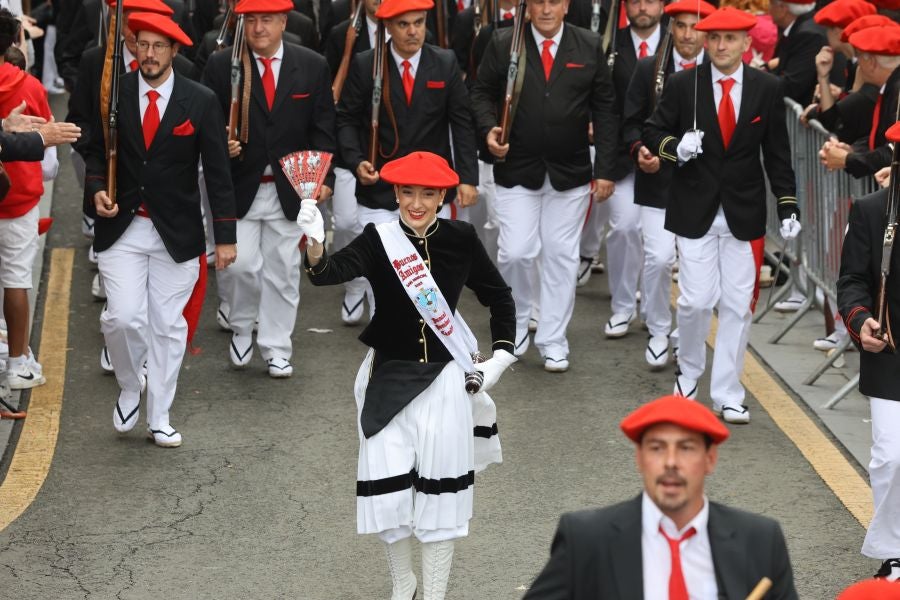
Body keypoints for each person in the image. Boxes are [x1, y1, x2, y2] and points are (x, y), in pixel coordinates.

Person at [299, 151, 516, 600]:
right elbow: (326, 274)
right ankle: (403, 584)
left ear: (443, 197)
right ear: (395, 194)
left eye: (428, 194)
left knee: (440, 503)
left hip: (443, 385)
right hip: (386, 382)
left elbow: (499, 297)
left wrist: (500, 358)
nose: (417, 203)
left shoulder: (461, 238)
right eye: (408, 192)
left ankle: (433, 595)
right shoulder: (379, 239)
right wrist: (316, 243)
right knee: (388, 496)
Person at [83, 11, 237, 447]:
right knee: (123, 318)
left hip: (177, 232)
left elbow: (219, 173)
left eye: (158, 47)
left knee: (169, 327)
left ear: (174, 51)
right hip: (123, 228)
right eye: (142, 45)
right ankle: (131, 385)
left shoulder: (201, 99)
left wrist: (225, 237)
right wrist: (97, 189)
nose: (148, 54)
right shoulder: (114, 94)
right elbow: (96, 153)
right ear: (132, 47)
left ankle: (160, 415)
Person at [642, 6, 799, 424]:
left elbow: (778, 155)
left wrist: (788, 204)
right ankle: (688, 375)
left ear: (747, 43)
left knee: (736, 306)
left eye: (730, 39)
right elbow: (651, 131)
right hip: (694, 207)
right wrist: (676, 148)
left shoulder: (767, 87)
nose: (721, 46)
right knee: (694, 302)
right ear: (705, 42)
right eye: (714, 38)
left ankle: (728, 391)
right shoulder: (682, 84)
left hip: (743, 212)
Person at [524, 394, 798, 599]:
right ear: (640, 459)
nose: (670, 462)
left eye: (686, 448)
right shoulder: (586, 538)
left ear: (710, 459)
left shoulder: (760, 539)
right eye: (657, 448)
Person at [470, 0, 618, 372]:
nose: (546, 9)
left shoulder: (588, 44)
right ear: (527, 6)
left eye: (554, 1)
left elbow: (604, 107)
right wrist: (488, 129)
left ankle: (553, 339)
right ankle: (517, 324)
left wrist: (606, 169)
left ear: (566, 5)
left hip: (570, 173)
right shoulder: (505, 42)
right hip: (516, 167)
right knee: (516, 251)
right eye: (538, 1)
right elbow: (481, 92)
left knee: (559, 255)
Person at [203, 0, 336, 377]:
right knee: (240, 266)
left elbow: (323, 126)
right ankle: (242, 327)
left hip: (290, 189)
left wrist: (325, 179)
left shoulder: (311, 65)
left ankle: (277, 346)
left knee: (283, 270)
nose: (258, 28)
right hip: (237, 187)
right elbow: (205, 123)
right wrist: (219, 142)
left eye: (267, 20)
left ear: (283, 21)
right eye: (252, 20)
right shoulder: (222, 64)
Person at [622, 0, 714, 369]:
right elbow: (630, 122)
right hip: (657, 183)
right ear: (671, 28)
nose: (688, 34)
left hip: (704, 188)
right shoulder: (649, 69)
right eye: (681, 26)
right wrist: (641, 149)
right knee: (659, 258)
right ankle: (658, 328)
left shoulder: (719, 71)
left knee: (696, 273)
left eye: (695, 26)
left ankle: (685, 336)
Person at [336, 0, 479, 228]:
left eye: (419, 22)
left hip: (432, 189)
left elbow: (462, 124)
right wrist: (357, 161)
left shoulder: (445, 62)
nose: (413, 31)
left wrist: (468, 179)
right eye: (403, 24)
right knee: (383, 262)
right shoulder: (365, 65)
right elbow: (346, 120)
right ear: (388, 26)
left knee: (432, 262)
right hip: (381, 191)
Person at [836, 124, 900, 583]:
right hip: (890, 356)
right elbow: (852, 281)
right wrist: (861, 321)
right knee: (892, 457)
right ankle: (895, 551)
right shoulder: (872, 210)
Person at [586, 0, 665, 342]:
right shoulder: (608, 45)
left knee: (659, 245)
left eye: (650, 0)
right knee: (623, 228)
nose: (642, 7)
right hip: (619, 155)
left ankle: (652, 307)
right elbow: (600, 98)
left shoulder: (677, 44)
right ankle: (622, 306)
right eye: (635, 1)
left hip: (665, 159)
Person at [0, 8, 57, 390]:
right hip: (19, 198)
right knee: (17, 279)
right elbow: (50, 161)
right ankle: (18, 363)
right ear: (14, 40)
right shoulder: (30, 87)